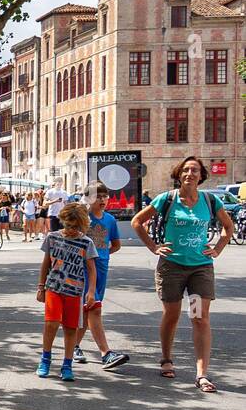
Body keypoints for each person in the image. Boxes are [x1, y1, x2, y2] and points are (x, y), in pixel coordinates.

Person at [131, 155, 233, 392]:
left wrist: (217, 247)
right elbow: (137, 221)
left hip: (200, 268)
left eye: (195, 171)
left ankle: (201, 374)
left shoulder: (209, 201)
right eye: (185, 170)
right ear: (178, 175)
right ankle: (166, 358)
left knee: (199, 317)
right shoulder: (166, 199)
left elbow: (229, 227)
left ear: (201, 176)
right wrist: (154, 247)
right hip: (172, 267)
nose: (190, 174)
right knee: (172, 314)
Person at [36, 202, 97, 382]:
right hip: (54, 287)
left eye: (76, 226)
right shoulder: (52, 237)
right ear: (63, 221)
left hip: (75, 291)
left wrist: (91, 292)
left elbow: (92, 269)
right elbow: (45, 263)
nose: (71, 229)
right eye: (68, 225)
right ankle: (45, 359)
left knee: (71, 328)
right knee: (51, 323)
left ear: (83, 225)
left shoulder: (86, 242)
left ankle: (67, 364)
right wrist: (41, 287)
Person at [75, 184, 130, 371]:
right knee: (94, 308)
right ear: (89, 198)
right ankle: (106, 353)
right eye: (98, 196)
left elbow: (116, 244)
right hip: (82, 269)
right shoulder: (82, 218)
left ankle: (73, 346)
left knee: (86, 310)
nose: (103, 200)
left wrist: (102, 255)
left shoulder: (110, 219)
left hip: (102, 268)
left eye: (105, 196)